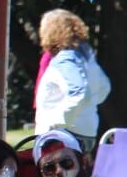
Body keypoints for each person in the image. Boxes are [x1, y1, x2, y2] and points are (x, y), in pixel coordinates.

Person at [34, 9, 111, 150]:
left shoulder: (65, 58)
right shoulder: (86, 57)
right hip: (86, 131)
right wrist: (88, 107)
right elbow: (104, 88)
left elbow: (79, 93)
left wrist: (57, 124)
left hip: (63, 135)